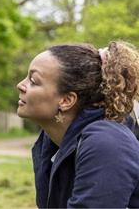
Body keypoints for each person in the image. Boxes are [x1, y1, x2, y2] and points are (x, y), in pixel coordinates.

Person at [17, 41, 139, 208]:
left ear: (66, 100)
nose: (20, 85)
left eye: (33, 80)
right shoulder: (50, 141)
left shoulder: (107, 143)